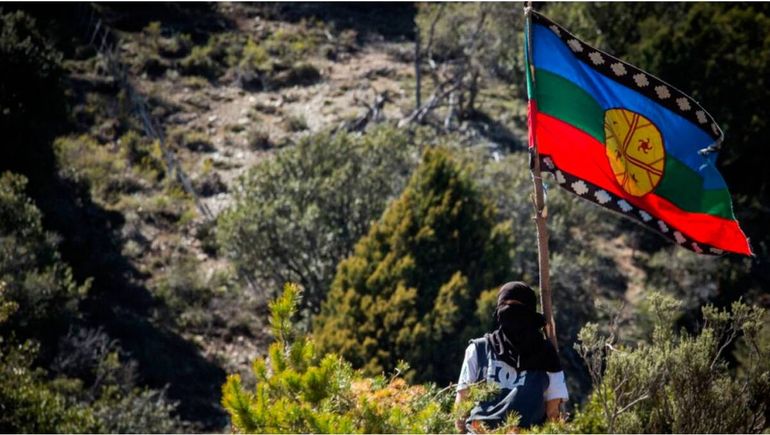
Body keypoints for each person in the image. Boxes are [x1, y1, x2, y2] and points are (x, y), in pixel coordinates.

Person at [454, 281, 568, 433]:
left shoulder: (547, 354)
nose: (509, 311)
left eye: (516, 305)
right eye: (505, 305)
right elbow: (462, 405)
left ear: (529, 312)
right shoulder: (478, 349)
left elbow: (552, 413)